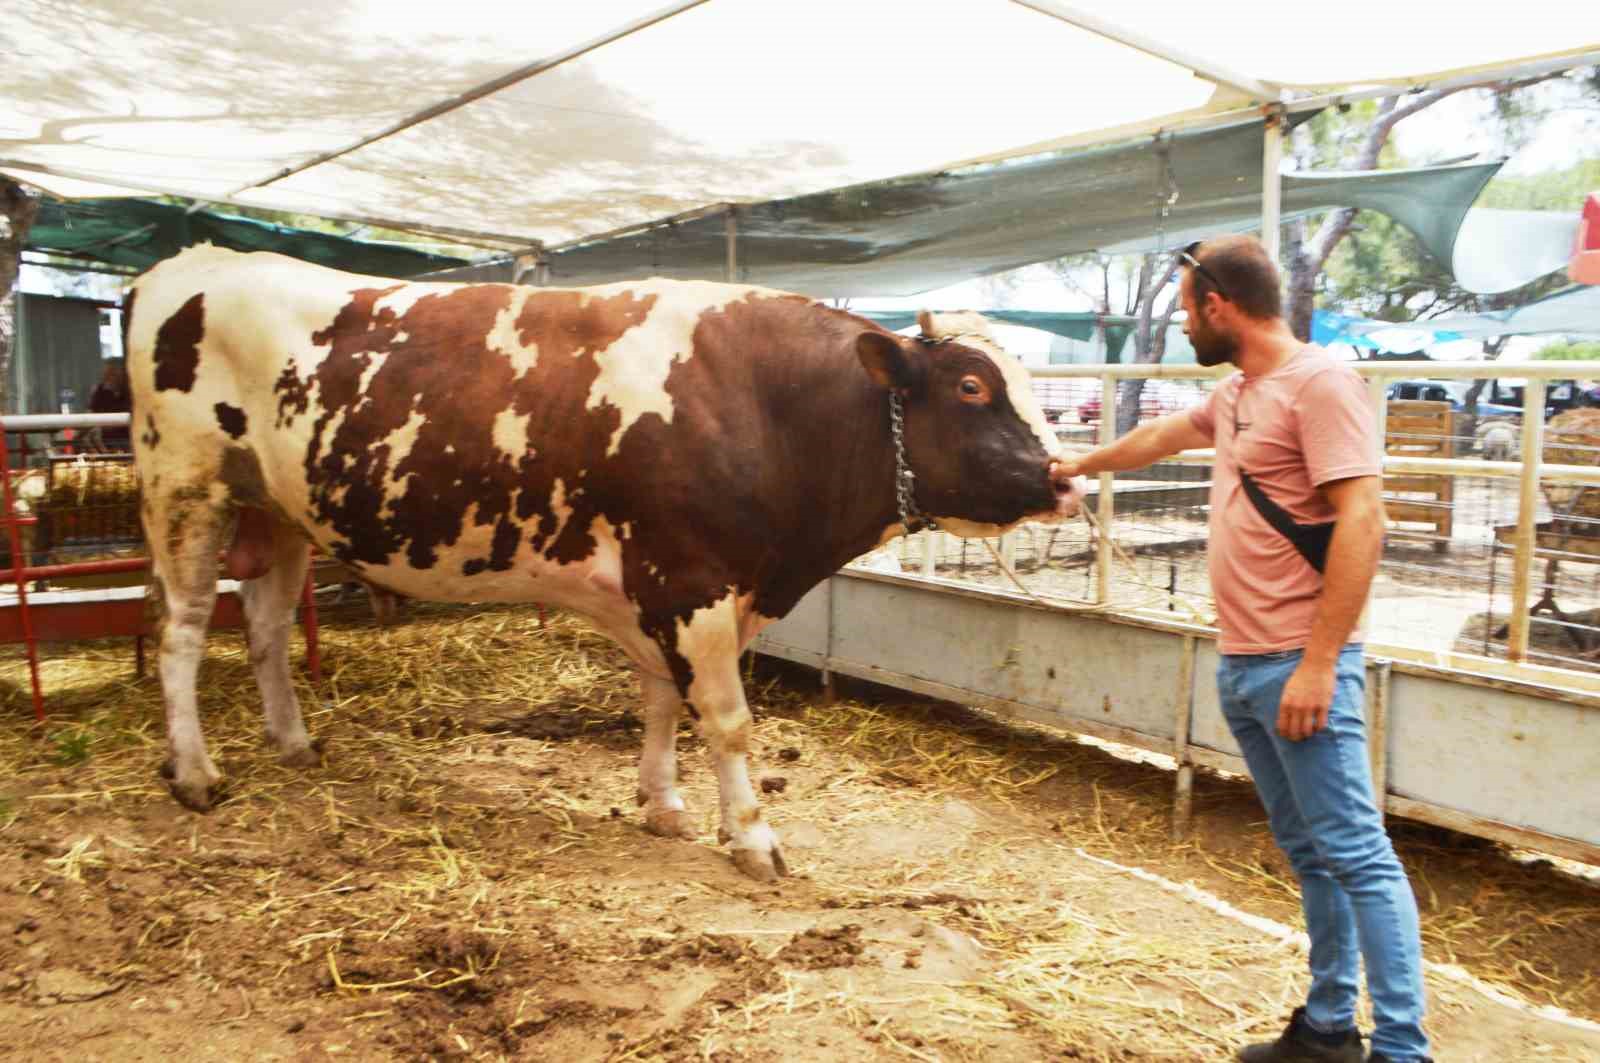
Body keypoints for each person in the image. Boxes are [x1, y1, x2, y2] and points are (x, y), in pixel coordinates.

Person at [1052, 235, 1431, 1063]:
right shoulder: (1238, 395)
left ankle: (1405, 1051)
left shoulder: (1320, 382)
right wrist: (1072, 462)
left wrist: (1322, 662)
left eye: (1187, 309)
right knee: (1312, 852)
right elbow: (1156, 440)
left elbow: (1364, 521)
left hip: (1299, 663)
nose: (1186, 324)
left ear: (1218, 305)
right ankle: (1329, 1027)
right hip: (1247, 664)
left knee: (1360, 855)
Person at [88, 357, 132, 451]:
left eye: (113, 373)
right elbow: (92, 412)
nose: (108, 377)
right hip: (106, 443)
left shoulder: (132, 391)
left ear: (123, 373)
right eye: (106, 373)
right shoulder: (100, 391)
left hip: (130, 441)